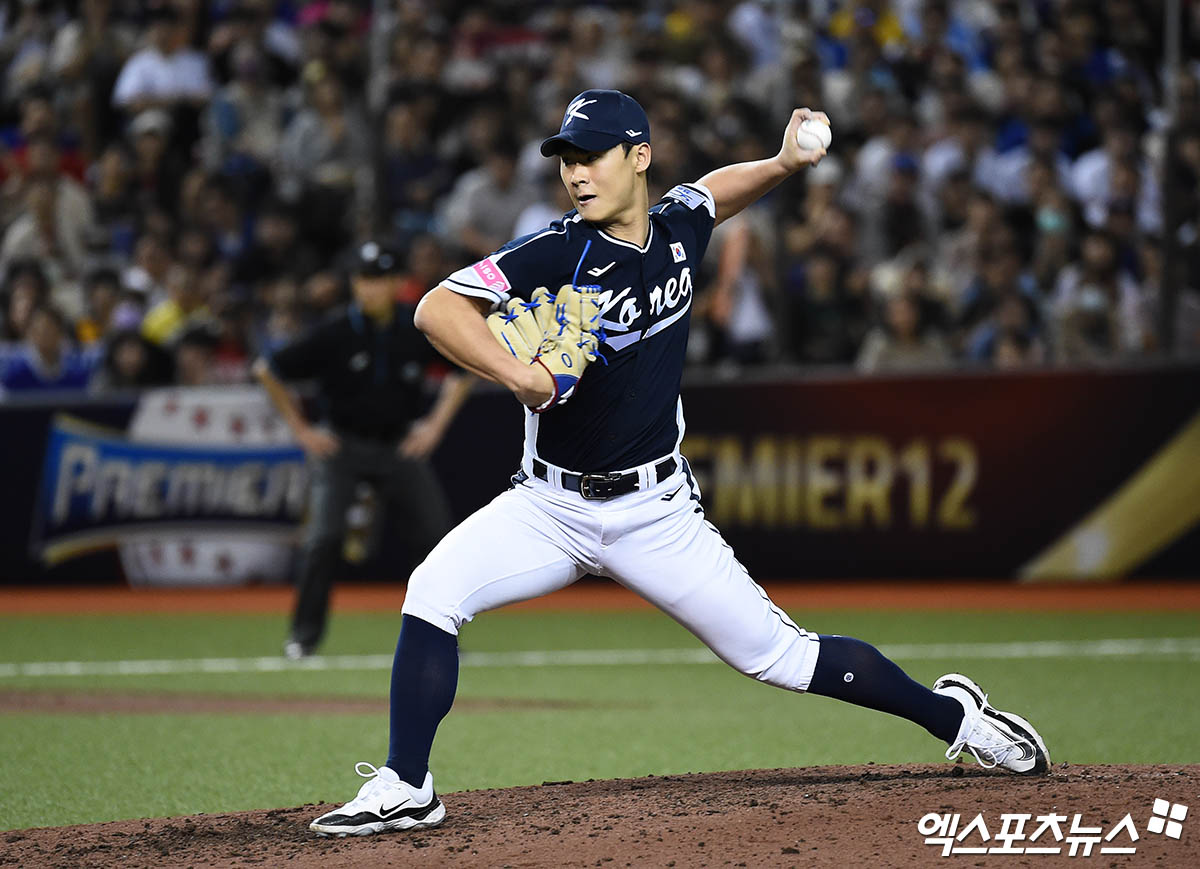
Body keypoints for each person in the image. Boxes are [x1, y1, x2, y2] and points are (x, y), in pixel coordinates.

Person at [309, 90, 1050, 838]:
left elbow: (715, 192)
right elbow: (436, 306)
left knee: (781, 657)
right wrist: (520, 374)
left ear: (639, 157)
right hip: (549, 506)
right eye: (566, 159)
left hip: (653, 512)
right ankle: (408, 783)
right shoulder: (557, 250)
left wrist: (784, 161)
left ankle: (955, 716)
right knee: (433, 589)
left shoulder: (677, 230)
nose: (575, 173)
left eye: (591, 155)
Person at [253, 242, 471, 659]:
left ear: (394, 284)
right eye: (362, 280)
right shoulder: (334, 331)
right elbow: (267, 370)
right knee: (323, 539)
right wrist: (303, 430)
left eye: (377, 280)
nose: (368, 289)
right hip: (343, 448)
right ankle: (303, 638)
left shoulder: (415, 327)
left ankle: (444, 637)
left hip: (397, 448)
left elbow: (463, 370)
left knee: (438, 538)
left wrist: (435, 426)